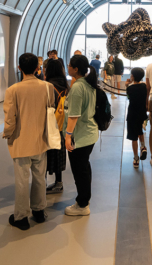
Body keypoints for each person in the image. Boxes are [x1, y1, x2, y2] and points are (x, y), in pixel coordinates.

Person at [3, 53, 52, 230]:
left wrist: (7, 134)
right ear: (37, 68)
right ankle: (39, 211)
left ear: (19, 68)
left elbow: (10, 118)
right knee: (40, 177)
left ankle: (21, 217)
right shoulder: (47, 87)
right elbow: (50, 112)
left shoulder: (13, 90)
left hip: (21, 141)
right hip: (41, 140)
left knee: (22, 180)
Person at [63, 55, 99, 216]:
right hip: (89, 133)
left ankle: (82, 204)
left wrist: (68, 136)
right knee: (84, 167)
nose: (68, 67)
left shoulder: (78, 87)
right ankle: (85, 198)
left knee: (79, 171)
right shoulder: (87, 84)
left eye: (69, 65)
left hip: (81, 135)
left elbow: (74, 115)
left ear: (75, 69)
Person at [44, 59, 69, 194]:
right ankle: (59, 183)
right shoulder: (65, 86)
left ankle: (43, 182)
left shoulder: (48, 86)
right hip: (62, 126)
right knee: (59, 154)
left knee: (45, 154)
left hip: (49, 126)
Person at [125, 68, 148, 168]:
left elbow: (129, 98)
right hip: (142, 113)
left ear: (132, 76)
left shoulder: (130, 88)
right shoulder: (144, 86)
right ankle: (142, 146)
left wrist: (127, 86)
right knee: (140, 131)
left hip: (132, 115)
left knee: (133, 137)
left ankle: (136, 158)